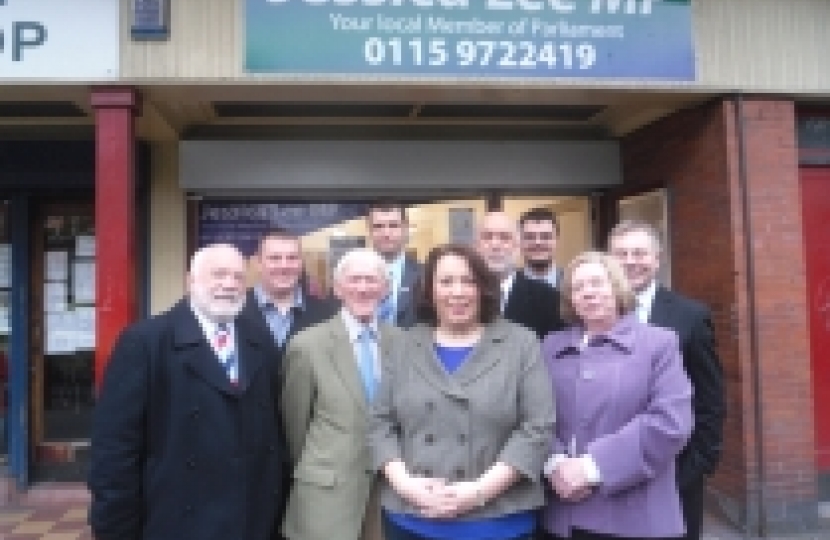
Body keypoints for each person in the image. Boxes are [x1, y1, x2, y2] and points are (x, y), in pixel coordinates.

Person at [88, 243, 285, 540]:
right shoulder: (145, 342)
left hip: (252, 519)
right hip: (177, 520)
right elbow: (115, 448)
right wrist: (114, 528)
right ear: (191, 280)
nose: (229, 285)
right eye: (218, 275)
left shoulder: (258, 337)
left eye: (237, 277)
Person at [369, 243, 554, 540]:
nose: (457, 292)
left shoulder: (520, 343)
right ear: (429, 290)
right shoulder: (404, 345)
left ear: (483, 288)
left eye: (468, 281)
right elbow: (380, 423)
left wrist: (478, 492)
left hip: (497, 520)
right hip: (411, 518)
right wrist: (406, 486)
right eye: (446, 281)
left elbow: (537, 428)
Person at [540, 251, 693, 540]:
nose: (588, 293)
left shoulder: (659, 343)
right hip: (561, 515)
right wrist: (555, 464)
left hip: (635, 518)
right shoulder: (550, 346)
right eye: (578, 287)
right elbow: (532, 415)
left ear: (617, 287)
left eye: (597, 283)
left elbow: (671, 423)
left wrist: (590, 467)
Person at [608, 220, 725, 540]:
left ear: (657, 259)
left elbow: (710, 396)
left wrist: (698, 466)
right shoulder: (590, 316)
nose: (630, 261)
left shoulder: (690, 316)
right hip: (608, 475)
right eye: (621, 254)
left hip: (675, 474)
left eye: (640, 253)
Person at [281, 247, 400, 540]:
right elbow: (294, 428)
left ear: (384, 289)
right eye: (354, 280)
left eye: (372, 280)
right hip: (325, 498)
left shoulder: (404, 343)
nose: (363, 288)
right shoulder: (307, 345)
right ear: (337, 288)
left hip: (389, 493)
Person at [238, 228, 337, 353]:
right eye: (274, 258)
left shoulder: (325, 315)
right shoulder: (235, 309)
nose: (284, 266)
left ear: (301, 263)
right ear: (258, 263)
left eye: (292, 258)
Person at [476, 211, 564, 340]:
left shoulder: (550, 298)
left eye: (505, 237)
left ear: (517, 247)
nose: (495, 245)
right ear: (476, 246)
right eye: (487, 237)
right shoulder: (459, 295)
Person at [366, 200, 422, 328]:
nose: (386, 234)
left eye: (393, 225)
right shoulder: (354, 278)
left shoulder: (425, 276)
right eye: (378, 226)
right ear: (369, 231)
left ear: (405, 229)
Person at [519, 207, 564, 288]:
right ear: (520, 241)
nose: (538, 242)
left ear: (557, 240)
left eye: (546, 236)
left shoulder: (572, 284)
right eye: (530, 237)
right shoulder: (508, 285)